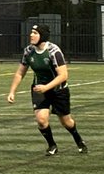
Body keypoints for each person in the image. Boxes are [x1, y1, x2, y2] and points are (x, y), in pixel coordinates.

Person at [6, 24, 87, 156]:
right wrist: (12, 92)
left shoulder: (53, 51)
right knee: (41, 120)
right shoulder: (28, 51)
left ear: (42, 36)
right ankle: (52, 145)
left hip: (58, 90)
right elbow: (20, 72)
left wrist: (46, 87)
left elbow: (63, 75)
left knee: (66, 122)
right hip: (39, 89)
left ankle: (78, 140)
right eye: (31, 32)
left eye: (35, 33)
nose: (31, 35)